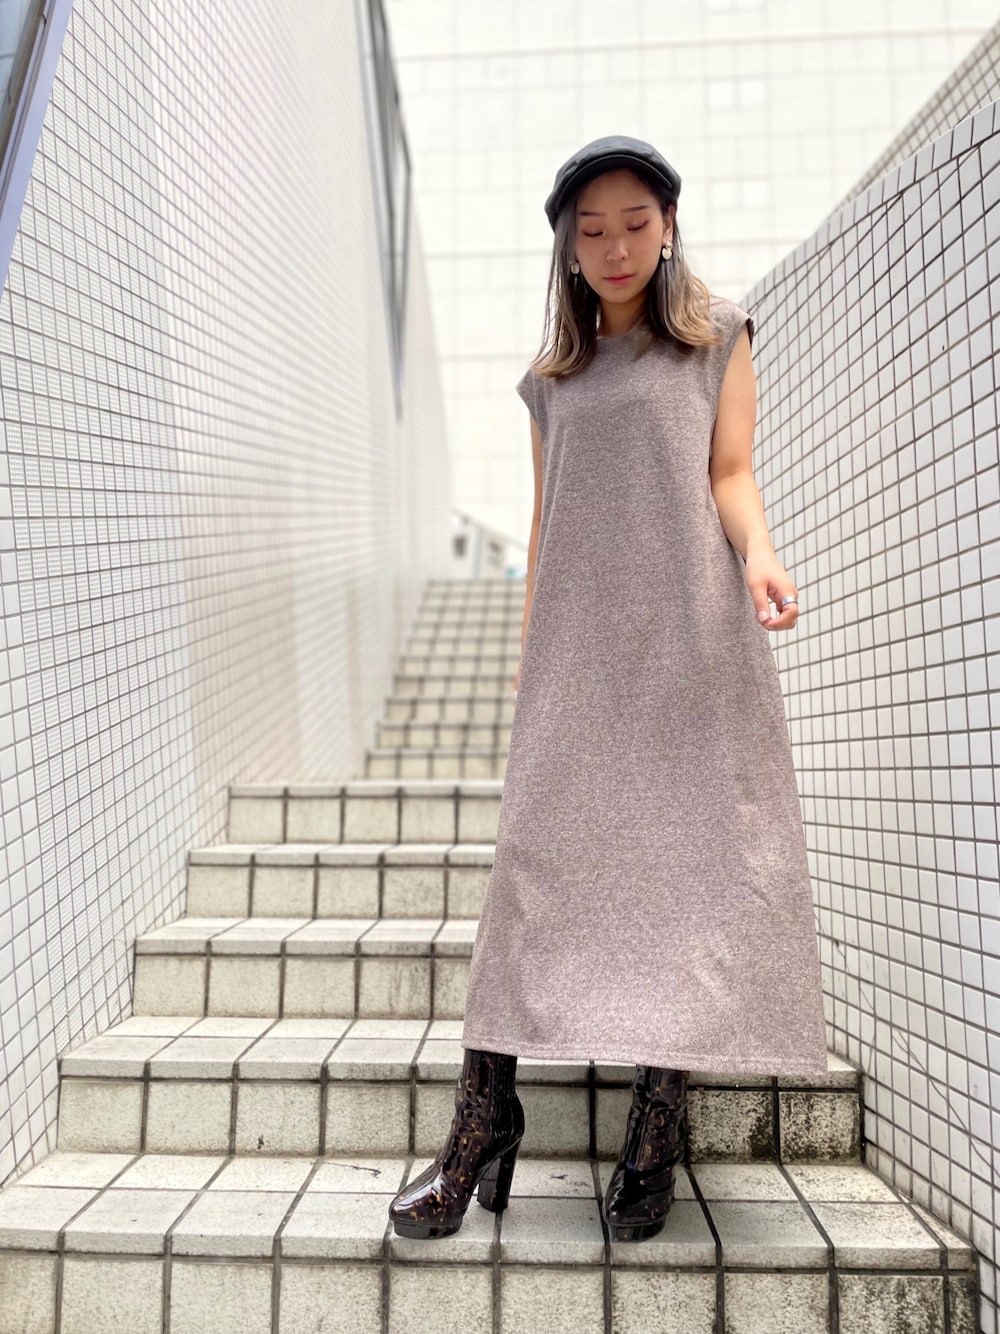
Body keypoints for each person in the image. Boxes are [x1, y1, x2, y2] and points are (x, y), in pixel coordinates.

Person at [389, 134, 829, 1244]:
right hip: (579, 659)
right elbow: (546, 524)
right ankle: (479, 1122)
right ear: (568, 249)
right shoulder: (552, 381)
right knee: (529, 879)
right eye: (592, 231)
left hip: (688, 645)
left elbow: (731, 472)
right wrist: (531, 658)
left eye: (635, 223)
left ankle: (655, 1129)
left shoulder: (717, 337)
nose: (616, 246)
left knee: (684, 874)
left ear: (668, 227)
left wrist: (761, 557)